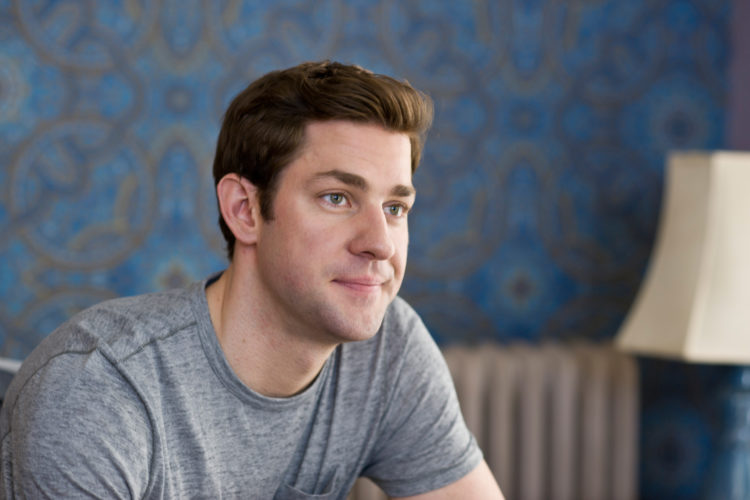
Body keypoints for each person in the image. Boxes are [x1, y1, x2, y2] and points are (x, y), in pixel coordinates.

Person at [0, 61, 504, 499]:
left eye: (395, 207)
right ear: (244, 210)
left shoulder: (387, 350)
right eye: (336, 198)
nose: (381, 243)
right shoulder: (99, 388)